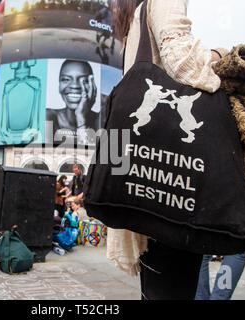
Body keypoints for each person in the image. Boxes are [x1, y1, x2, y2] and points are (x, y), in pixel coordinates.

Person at [107, 0, 229, 300]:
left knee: (157, 286)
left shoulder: (133, 19)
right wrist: (223, 55)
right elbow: (184, 63)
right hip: (173, 178)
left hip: (144, 179)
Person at [46, 60, 99, 145]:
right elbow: (45, 155)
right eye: (66, 79)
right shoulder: (49, 116)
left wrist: (81, 119)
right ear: (59, 85)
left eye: (84, 80)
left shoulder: (101, 120)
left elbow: (91, 156)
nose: (74, 85)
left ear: (93, 86)